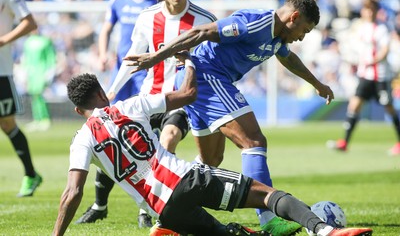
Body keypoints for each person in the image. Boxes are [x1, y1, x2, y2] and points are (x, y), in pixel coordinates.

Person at [52, 64, 372, 236]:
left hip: (162, 210)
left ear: (79, 110)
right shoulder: (129, 105)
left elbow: (72, 193)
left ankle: (168, 232)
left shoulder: (81, 139)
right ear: (102, 93)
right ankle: (324, 230)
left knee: (228, 234)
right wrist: (188, 61)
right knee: (266, 195)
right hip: (186, 179)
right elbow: (189, 94)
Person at [122, 0, 335, 235]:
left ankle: (169, 218)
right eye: (304, 30)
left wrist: (317, 83)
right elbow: (201, 32)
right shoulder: (255, 22)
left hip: (202, 81)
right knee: (253, 141)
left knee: (211, 160)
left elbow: (288, 58)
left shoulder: (278, 37)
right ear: (293, 17)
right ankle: (268, 220)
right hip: (205, 75)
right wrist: (156, 57)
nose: (301, 37)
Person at [77, 0, 217, 228]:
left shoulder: (204, 19)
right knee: (116, 143)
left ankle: (161, 207)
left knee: (169, 137)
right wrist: (112, 91)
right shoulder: (147, 17)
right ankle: (133, 205)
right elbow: (131, 59)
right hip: (150, 98)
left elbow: (214, 62)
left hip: (180, 101)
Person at [74, 0, 157, 227]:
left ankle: (146, 209)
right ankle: (100, 205)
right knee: (109, 136)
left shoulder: (157, 3)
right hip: (122, 77)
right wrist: (102, 54)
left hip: (146, 78)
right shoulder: (118, 1)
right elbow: (107, 29)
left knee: (144, 139)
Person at [327, 0, 400, 155]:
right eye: (366, 10)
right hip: (365, 76)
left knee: (389, 109)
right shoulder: (360, 28)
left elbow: (385, 51)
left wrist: (372, 61)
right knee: (354, 106)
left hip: (381, 76)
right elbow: (354, 49)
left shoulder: (382, 28)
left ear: (376, 11)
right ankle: (344, 142)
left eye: (371, 10)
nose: (369, 13)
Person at [0, 0, 42, 197]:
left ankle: (31, 174)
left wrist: (3, 40)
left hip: (1, 71)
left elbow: (30, 23)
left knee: (7, 124)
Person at [22, 29, 56, 132]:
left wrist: (50, 72)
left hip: (41, 72)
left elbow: (51, 57)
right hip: (31, 73)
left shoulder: (45, 41)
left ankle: (45, 118)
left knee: (40, 95)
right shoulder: (27, 42)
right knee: (34, 96)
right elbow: (26, 58)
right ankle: (37, 118)